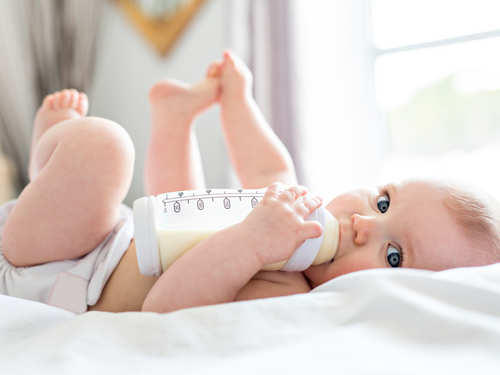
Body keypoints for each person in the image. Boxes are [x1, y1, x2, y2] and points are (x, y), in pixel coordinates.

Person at [1, 51, 499, 314]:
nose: (364, 224)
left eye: (394, 255)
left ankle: (49, 174)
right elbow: (265, 171)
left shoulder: (283, 295)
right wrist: (239, 102)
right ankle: (165, 125)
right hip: (114, 233)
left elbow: (163, 306)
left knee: (103, 149)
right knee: (172, 195)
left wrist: (251, 243)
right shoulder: (296, 222)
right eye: (384, 201)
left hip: (59, 276)